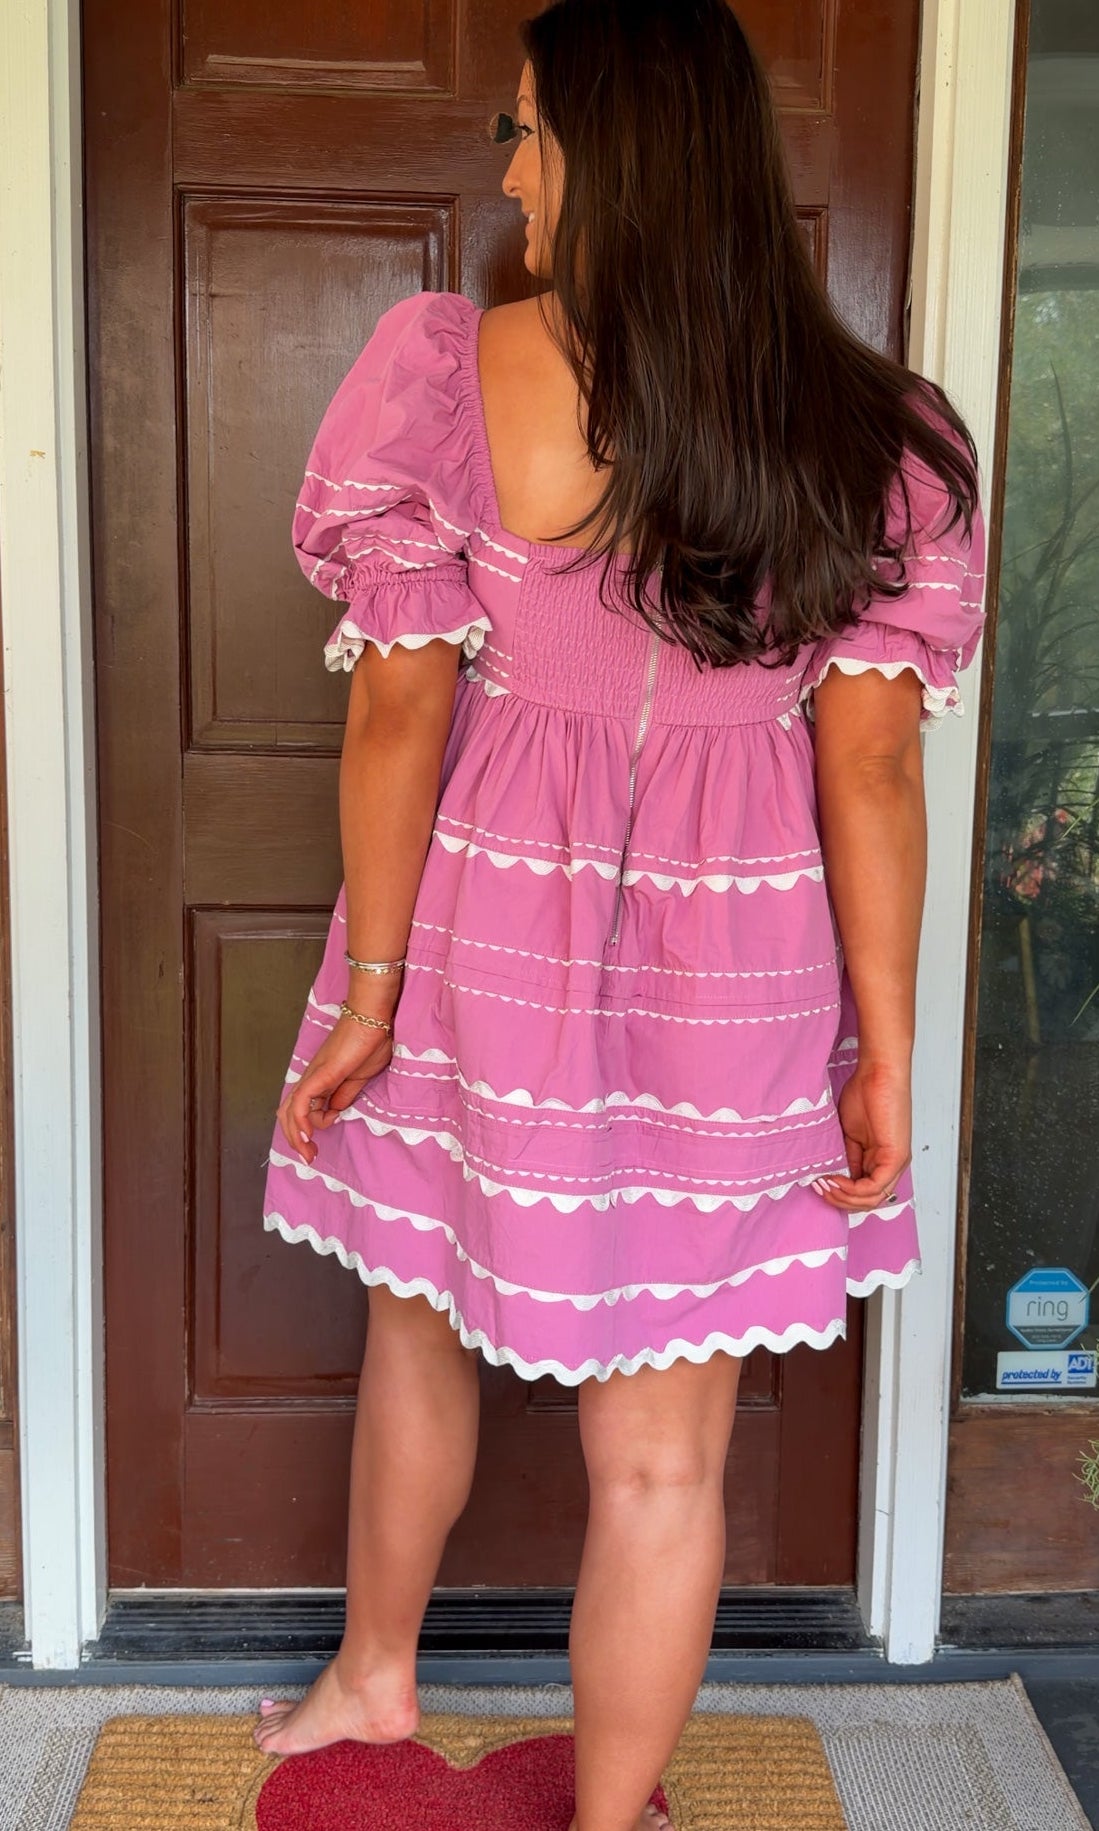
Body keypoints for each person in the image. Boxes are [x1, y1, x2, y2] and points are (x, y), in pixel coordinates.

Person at [252, 2, 986, 1826]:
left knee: (420, 1309)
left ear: (610, 151)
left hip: (484, 923)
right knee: (666, 1452)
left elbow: (403, 703)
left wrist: (374, 989)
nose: (509, 172)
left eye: (525, 133)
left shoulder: (454, 369)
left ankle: (374, 1674)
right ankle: (610, 1818)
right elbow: (872, 774)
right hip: (738, 970)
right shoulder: (876, 436)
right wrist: (884, 1049)